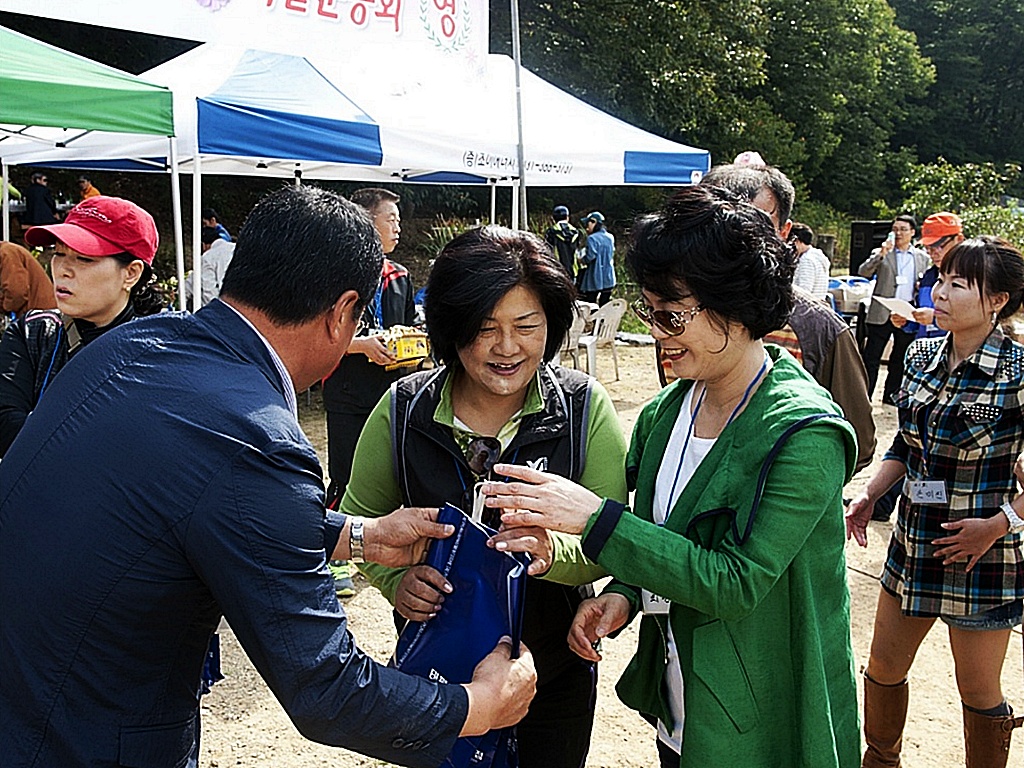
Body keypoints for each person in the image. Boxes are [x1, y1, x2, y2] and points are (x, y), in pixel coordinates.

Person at [0, 186, 537, 767]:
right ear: (342, 314)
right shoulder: (256, 435)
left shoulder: (132, 345)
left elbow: (186, 504)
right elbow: (326, 689)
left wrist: (359, 535)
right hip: (85, 739)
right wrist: (477, 705)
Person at [483, 185, 860, 767]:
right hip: (687, 702)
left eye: (671, 315)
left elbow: (735, 583)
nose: (657, 332)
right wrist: (625, 594)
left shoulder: (805, 433)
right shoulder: (668, 410)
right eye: (649, 312)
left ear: (735, 306)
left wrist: (594, 518)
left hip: (764, 715)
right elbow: (666, 536)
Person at [345, 226, 628, 768]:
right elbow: (359, 519)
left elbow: (612, 538)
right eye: (485, 327)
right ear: (451, 327)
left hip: (553, 672)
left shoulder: (583, 408)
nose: (507, 347)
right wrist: (396, 581)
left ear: (552, 325)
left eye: (527, 326)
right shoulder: (404, 409)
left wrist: (551, 551)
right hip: (439, 678)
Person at [845, 236, 1024, 768]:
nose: (939, 293)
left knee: (978, 690)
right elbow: (907, 444)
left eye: (958, 284)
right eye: (941, 280)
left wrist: (998, 525)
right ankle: (881, 760)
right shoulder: (921, 355)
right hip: (914, 543)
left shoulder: (1018, 372)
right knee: (883, 669)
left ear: (997, 301)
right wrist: (871, 493)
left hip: (981, 557)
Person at [691, 161, 876, 473]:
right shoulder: (676, 318)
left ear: (784, 232)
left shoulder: (821, 328)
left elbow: (857, 442)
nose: (732, 240)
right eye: (716, 224)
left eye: (753, 224)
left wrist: (788, 484)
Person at [0, 196, 165, 457]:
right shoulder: (33, 333)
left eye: (84, 259)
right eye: (58, 253)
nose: (63, 270)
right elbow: (6, 425)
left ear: (131, 273)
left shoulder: (163, 351)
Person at [322, 187, 415, 597]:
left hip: (390, 389)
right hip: (347, 388)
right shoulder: (335, 273)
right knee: (344, 472)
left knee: (391, 470)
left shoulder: (399, 276)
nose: (397, 227)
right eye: (390, 218)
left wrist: (409, 344)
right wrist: (362, 345)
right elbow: (320, 331)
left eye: (398, 219)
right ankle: (334, 556)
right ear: (365, 220)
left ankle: (381, 544)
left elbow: (409, 324)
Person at [858, 214, 930, 403]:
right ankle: (864, 397)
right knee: (871, 358)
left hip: (907, 313)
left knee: (899, 358)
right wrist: (881, 254)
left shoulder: (922, 257)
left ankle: (891, 397)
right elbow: (863, 272)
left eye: (903, 229)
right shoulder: (882, 252)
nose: (898, 233)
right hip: (882, 311)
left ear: (912, 232)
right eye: (895, 229)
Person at [0, 240, 57, 317]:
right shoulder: (7, 251)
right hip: (38, 312)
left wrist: (5, 307)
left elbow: (17, 292)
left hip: (39, 313)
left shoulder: (7, 253)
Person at [184, 225, 236, 308]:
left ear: (203, 245)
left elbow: (208, 291)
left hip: (224, 306)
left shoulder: (208, 257)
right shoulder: (236, 248)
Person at [578, 211, 615, 306]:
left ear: (594, 222)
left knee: (591, 304)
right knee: (605, 305)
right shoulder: (610, 237)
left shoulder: (592, 238)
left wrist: (582, 260)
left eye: (588, 223)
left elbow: (591, 256)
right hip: (608, 277)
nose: (587, 227)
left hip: (595, 276)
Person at [790, 221, 831, 300]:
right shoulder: (817, 256)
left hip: (806, 305)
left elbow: (803, 291)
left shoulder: (807, 260)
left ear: (797, 241)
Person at [545, 204, 581, 279]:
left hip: (557, 270)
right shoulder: (575, 232)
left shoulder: (551, 232)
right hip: (573, 271)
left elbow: (547, 251)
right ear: (567, 217)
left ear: (554, 218)